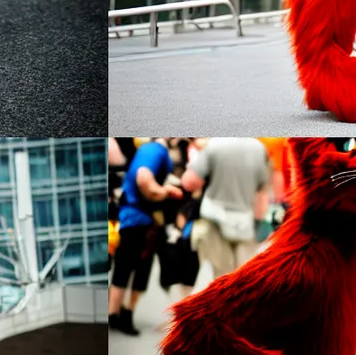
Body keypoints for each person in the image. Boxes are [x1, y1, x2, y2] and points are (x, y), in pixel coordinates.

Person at [109, 138, 177, 333]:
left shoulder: (149, 150)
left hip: (136, 220)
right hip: (141, 222)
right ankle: (122, 315)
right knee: (137, 270)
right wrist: (164, 192)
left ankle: (116, 315)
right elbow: (143, 178)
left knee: (125, 268)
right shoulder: (155, 150)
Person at [182, 137, 269, 285]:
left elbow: (189, 182)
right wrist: (259, 225)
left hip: (214, 219)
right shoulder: (259, 148)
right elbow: (261, 191)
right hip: (245, 224)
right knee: (242, 279)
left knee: (221, 280)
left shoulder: (215, 144)